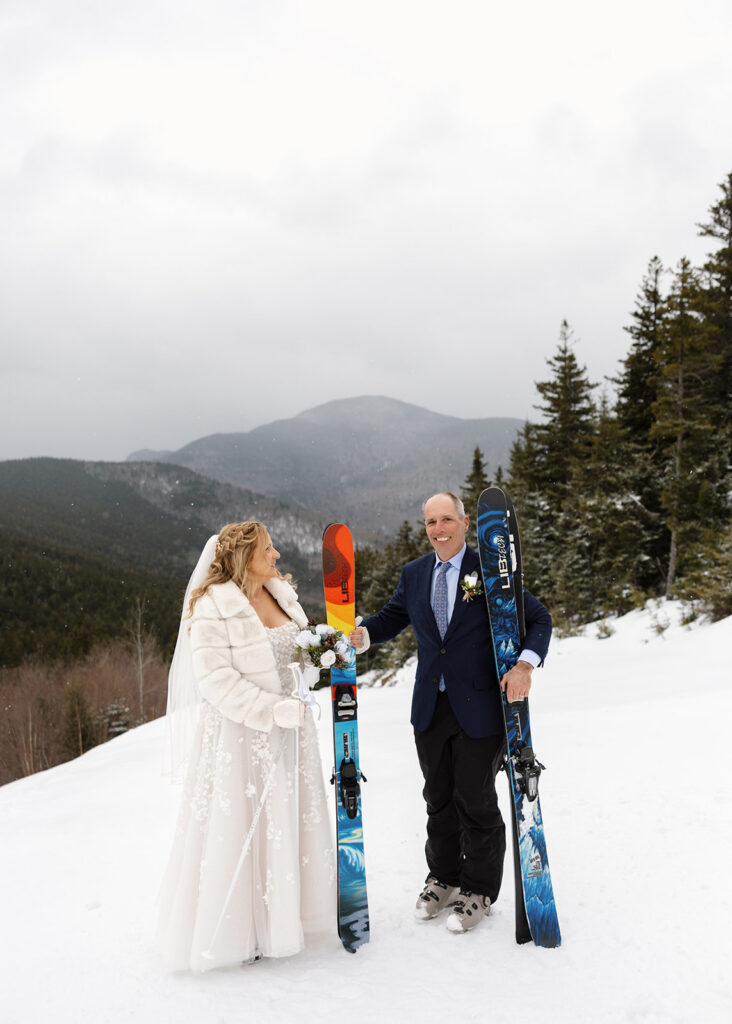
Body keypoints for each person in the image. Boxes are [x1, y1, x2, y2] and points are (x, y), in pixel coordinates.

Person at [350, 492, 551, 933]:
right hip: (430, 706)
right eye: (430, 522)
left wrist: (524, 665)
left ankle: (477, 890)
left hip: (480, 706)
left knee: (474, 799)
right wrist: (364, 635)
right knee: (437, 798)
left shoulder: (492, 572)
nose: (438, 529)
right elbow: (392, 617)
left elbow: (539, 618)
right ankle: (442, 878)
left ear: (464, 522)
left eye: (446, 520)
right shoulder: (416, 573)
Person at [157, 522, 335, 971]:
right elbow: (215, 682)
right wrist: (269, 710)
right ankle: (244, 931)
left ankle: (286, 917)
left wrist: (327, 651)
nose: (277, 556)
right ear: (243, 555)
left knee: (285, 819)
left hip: (291, 730)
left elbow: (300, 647)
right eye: (269, 549)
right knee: (242, 822)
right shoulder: (212, 605)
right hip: (241, 735)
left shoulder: (278, 593)